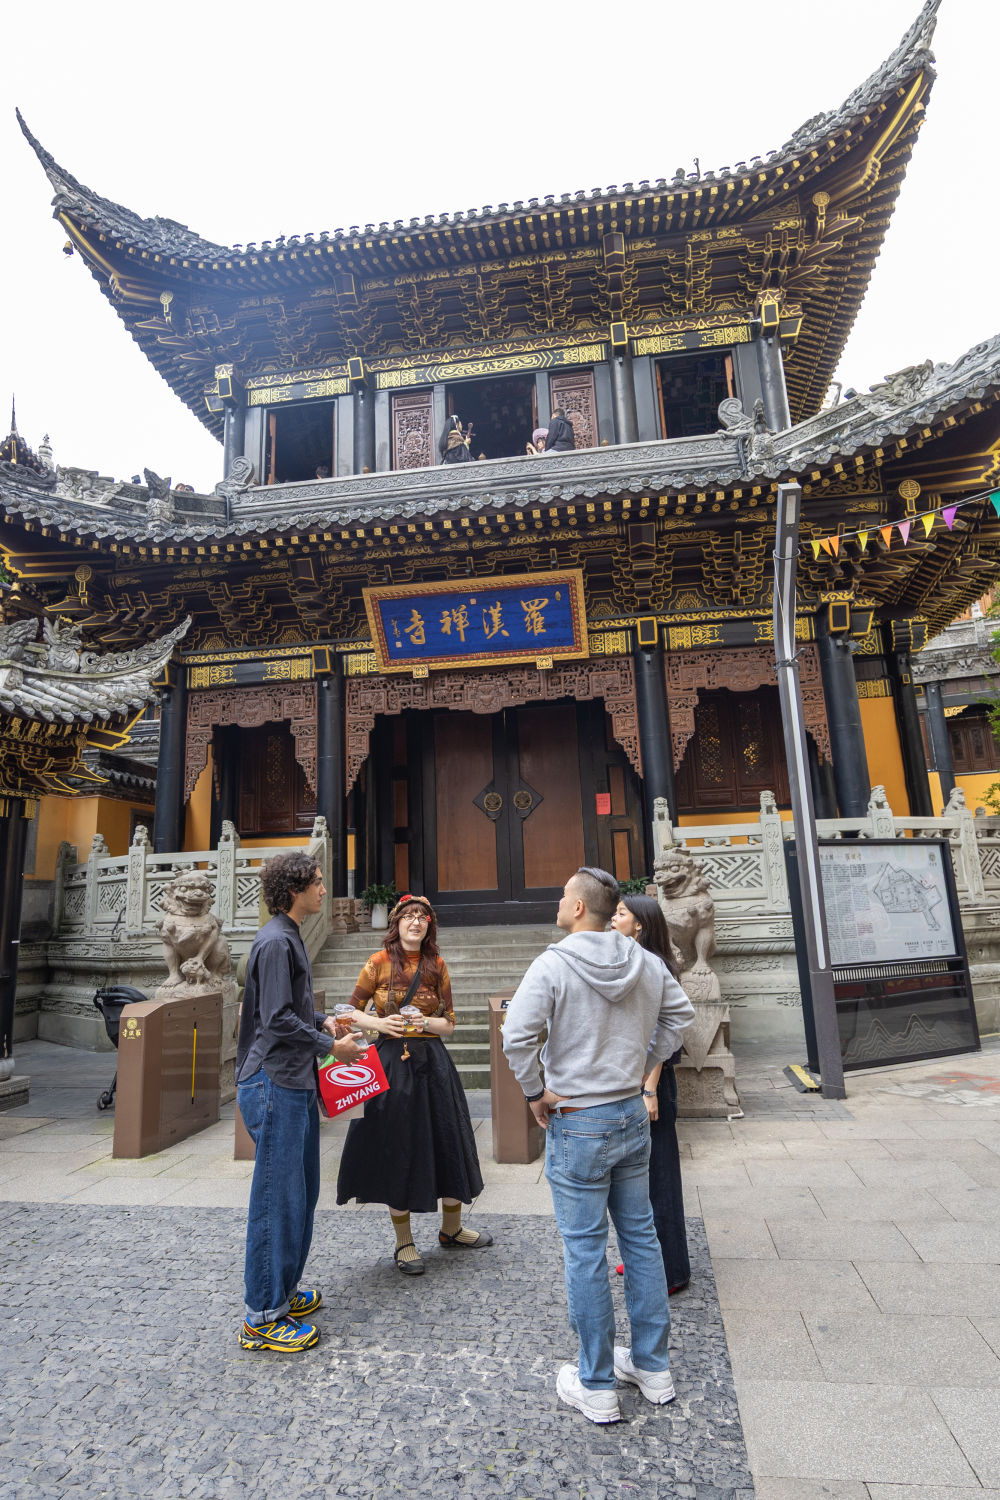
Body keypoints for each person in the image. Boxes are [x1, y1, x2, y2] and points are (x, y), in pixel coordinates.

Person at [502, 866, 694, 1423]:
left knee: (586, 1250)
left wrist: (535, 1091)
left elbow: (517, 1035)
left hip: (579, 1117)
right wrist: (640, 1064)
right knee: (641, 1240)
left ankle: (597, 1383)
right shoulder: (645, 961)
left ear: (580, 908)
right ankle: (653, 1367)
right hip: (630, 1113)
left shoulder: (553, 963)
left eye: (565, 895)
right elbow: (680, 1017)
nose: (560, 901)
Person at [235, 852, 364, 1353]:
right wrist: (331, 1045)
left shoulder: (288, 936)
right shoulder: (275, 941)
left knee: (300, 1193)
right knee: (277, 1198)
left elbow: (289, 1010)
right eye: (317, 882)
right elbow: (274, 1020)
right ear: (294, 889)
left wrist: (321, 1021)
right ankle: (262, 1315)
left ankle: (283, 1291)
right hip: (273, 1081)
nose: (323, 890)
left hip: (293, 1080)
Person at [336, 893, 491, 1273]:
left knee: (449, 1139)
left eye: (423, 917)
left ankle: (451, 1229)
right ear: (397, 923)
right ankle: (404, 1242)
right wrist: (378, 1023)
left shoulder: (437, 964)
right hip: (391, 1063)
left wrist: (426, 1022)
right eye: (409, 916)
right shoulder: (377, 963)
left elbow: (449, 1024)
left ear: (429, 926)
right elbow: (348, 1012)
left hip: (433, 1063)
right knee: (398, 1145)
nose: (416, 921)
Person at [610, 894, 690, 1294]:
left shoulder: (654, 965)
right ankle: (645, 1258)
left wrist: (649, 1089)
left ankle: (671, 1271)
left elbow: (662, 1032)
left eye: (621, 913)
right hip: (637, 1082)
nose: (613, 918)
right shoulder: (633, 961)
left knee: (660, 1178)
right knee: (639, 1181)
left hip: (651, 1084)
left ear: (639, 924)